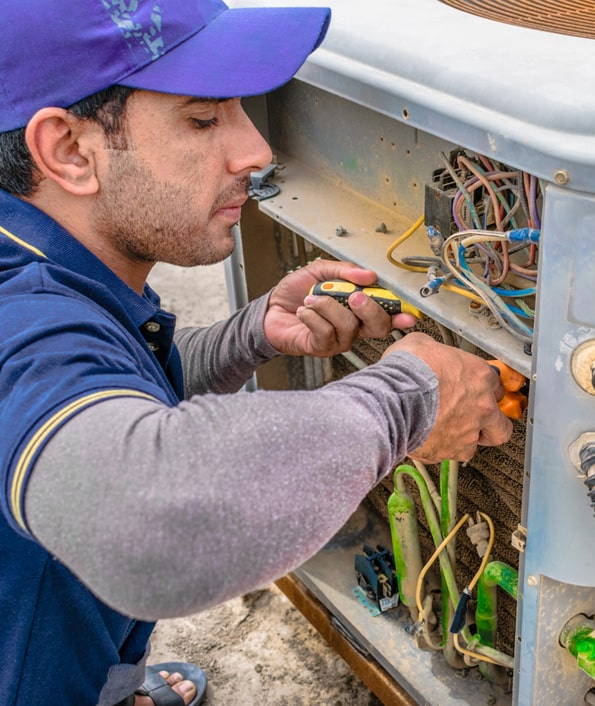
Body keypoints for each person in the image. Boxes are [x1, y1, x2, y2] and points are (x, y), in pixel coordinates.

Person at [0, 1, 513, 705]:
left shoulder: (43, 266)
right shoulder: (21, 316)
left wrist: (246, 338)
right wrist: (408, 401)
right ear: (67, 151)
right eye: (203, 119)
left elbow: (96, 378)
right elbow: (144, 519)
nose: (257, 153)